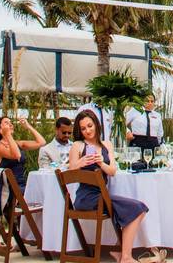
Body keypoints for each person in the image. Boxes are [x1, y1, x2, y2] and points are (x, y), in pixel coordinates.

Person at [68, 110, 147, 263]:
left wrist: (100, 162)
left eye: (90, 126)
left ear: (96, 125)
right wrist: (81, 162)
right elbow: (70, 171)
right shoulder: (78, 145)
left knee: (138, 209)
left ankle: (122, 254)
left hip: (102, 194)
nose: (87, 131)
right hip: (86, 197)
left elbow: (112, 171)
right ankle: (125, 257)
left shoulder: (106, 144)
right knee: (138, 209)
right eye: (83, 129)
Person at [0, 116, 45, 191]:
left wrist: (28, 126)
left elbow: (42, 142)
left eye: (11, 122)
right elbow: (16, 155)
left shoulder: (17, 144)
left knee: (45, 189)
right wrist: (7, 134)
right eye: (6, 123)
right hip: (7, 188)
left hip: (22, 185)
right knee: (42, 192)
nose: (10, 124)